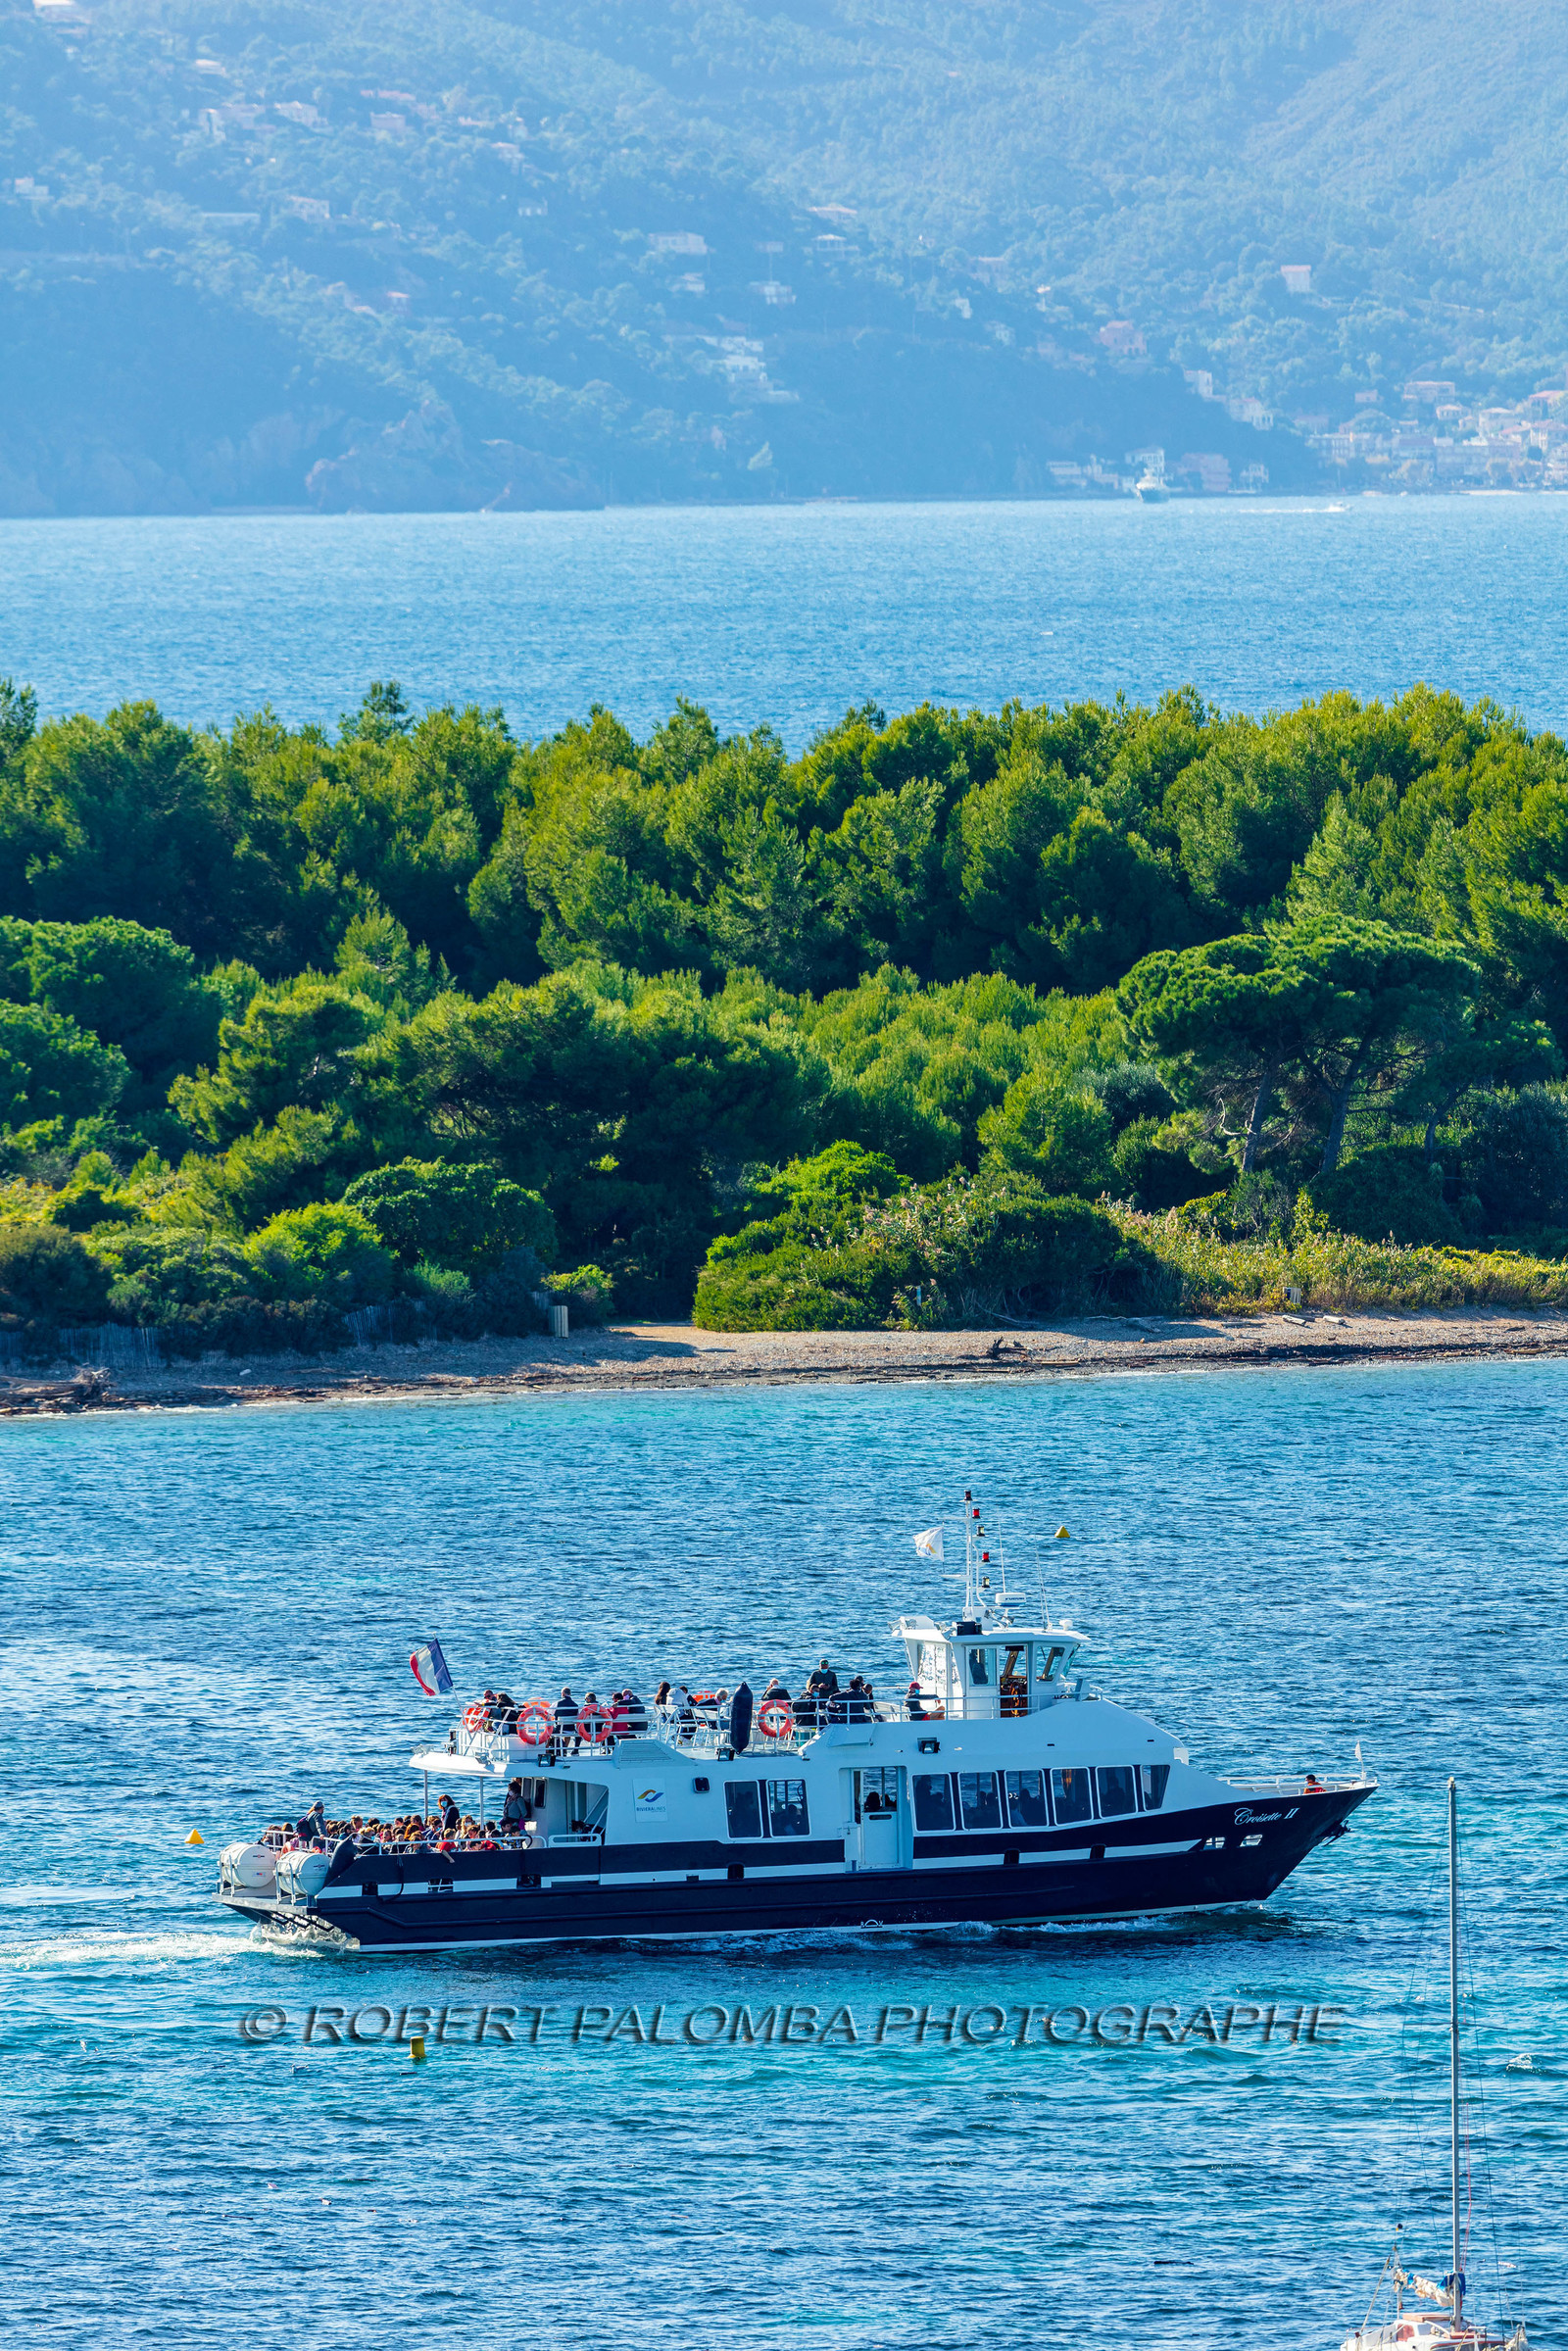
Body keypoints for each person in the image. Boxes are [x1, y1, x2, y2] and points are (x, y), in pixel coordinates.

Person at [729, 1678, 754, 1754]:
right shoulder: (747, 1694)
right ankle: (738, 1747)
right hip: (743, 1720)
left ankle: (738, 1747)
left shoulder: (739, 1695)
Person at [554, 1686, 580, 1755]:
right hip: (571, 1728)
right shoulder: (575, 1705)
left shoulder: (558, 1703)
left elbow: (549, 1713)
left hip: (560, 1729)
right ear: (570, 1694)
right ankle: (564, 1749)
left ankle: (549, 1751)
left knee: (550, 1733)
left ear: (563, 1693)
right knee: (567, 1734)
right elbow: (578, 1717)